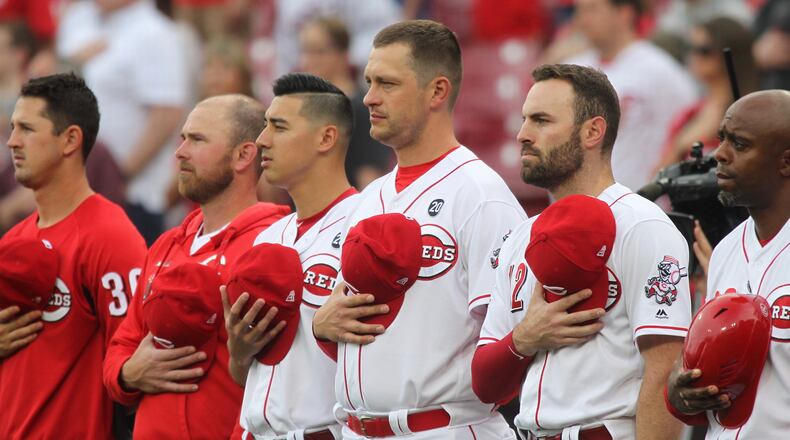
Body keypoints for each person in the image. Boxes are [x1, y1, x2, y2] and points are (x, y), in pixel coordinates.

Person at [312, 20, 527, 438]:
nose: (370, 97)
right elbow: (352, 328)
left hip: (443, 426)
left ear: (437, 92)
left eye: (388, 84)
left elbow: (512, 340)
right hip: (357, 427)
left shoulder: (481, 195)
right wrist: (323, 327)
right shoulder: (369, 197)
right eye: (369, 81)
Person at [472, 64, 692, 440]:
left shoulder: (642, 226)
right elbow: (485, 384)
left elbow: (664, 372)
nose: (523, 135)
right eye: (524, 120)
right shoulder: (520, 238)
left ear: (593, 131)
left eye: (541, 121)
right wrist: (524, 339)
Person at [102, 95, 289, 439]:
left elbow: (287, 375)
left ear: (244, 155)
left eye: (197, 140)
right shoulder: (166, 244)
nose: (180, 152)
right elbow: (122, 345)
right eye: (182, 138)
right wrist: (129, 374)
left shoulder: (275, 243)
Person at [0, 73, 147, 439]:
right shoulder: (14, 240)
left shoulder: (109, 236)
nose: (12, 142)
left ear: (70, 140)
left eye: (27, 130)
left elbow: (136, 366)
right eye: (12, 128)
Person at [224, 72, 358, 439]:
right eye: (265, 126)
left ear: (326, 138)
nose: (262, 140)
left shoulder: (363, 226)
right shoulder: (269, 237)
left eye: (279, 127)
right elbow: (248, 374)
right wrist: (239, 351)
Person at [665, 90, 790, 439]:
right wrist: (682, 393)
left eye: (740, 144)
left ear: (786, 162)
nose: (718, 154)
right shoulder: (725, 251)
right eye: (722, 139)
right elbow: (700, 390)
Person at [567, 0, 697, 192]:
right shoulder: (571, 69)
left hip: (640, 201)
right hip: (579, 202)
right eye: (580, 11)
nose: (582, 20)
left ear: (624, 13)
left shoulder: (661, 71)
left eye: (592, 10)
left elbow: (686, 129)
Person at [298, 16, 393, 189]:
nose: (308, 61)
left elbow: (369, 176)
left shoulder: (362, 108)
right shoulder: (300, 107)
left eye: (318, 52)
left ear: (342, 54)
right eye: (305, 51)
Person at [655, 16, 758, 172]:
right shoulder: (689, 113)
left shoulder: (754, 111)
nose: (693, 56)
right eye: (689, 47)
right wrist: (682, 144)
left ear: (729, 53)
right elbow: (658, 175)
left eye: (703, 50)